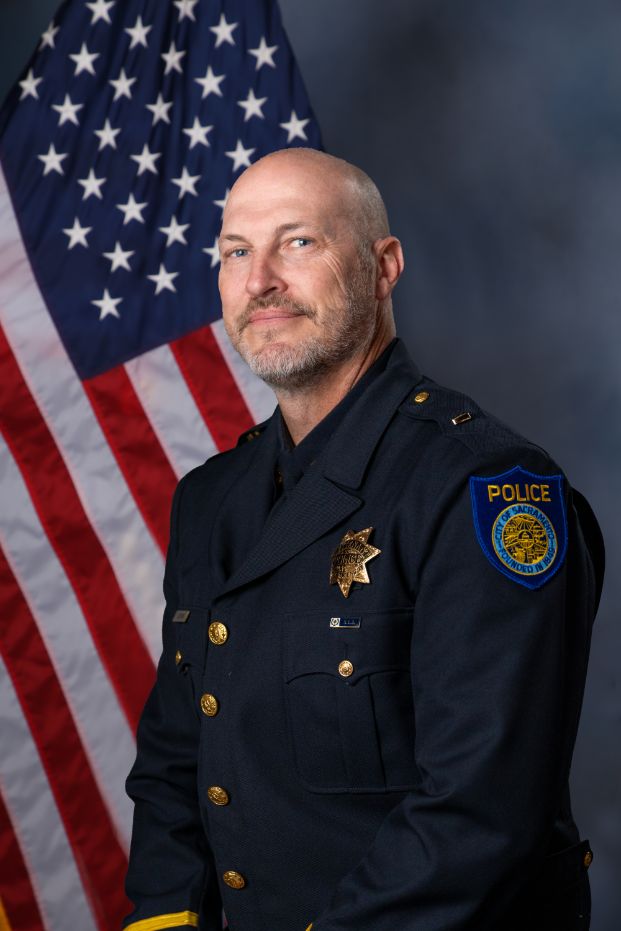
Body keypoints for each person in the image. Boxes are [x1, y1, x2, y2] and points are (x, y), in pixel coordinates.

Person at [123, 148, 604, 931]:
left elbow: (478, 814)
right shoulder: (210, 500)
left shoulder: (482, 488)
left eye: (298, 241)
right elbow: (176, 765)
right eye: (235, 252)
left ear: (384, 266)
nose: (260, 280)